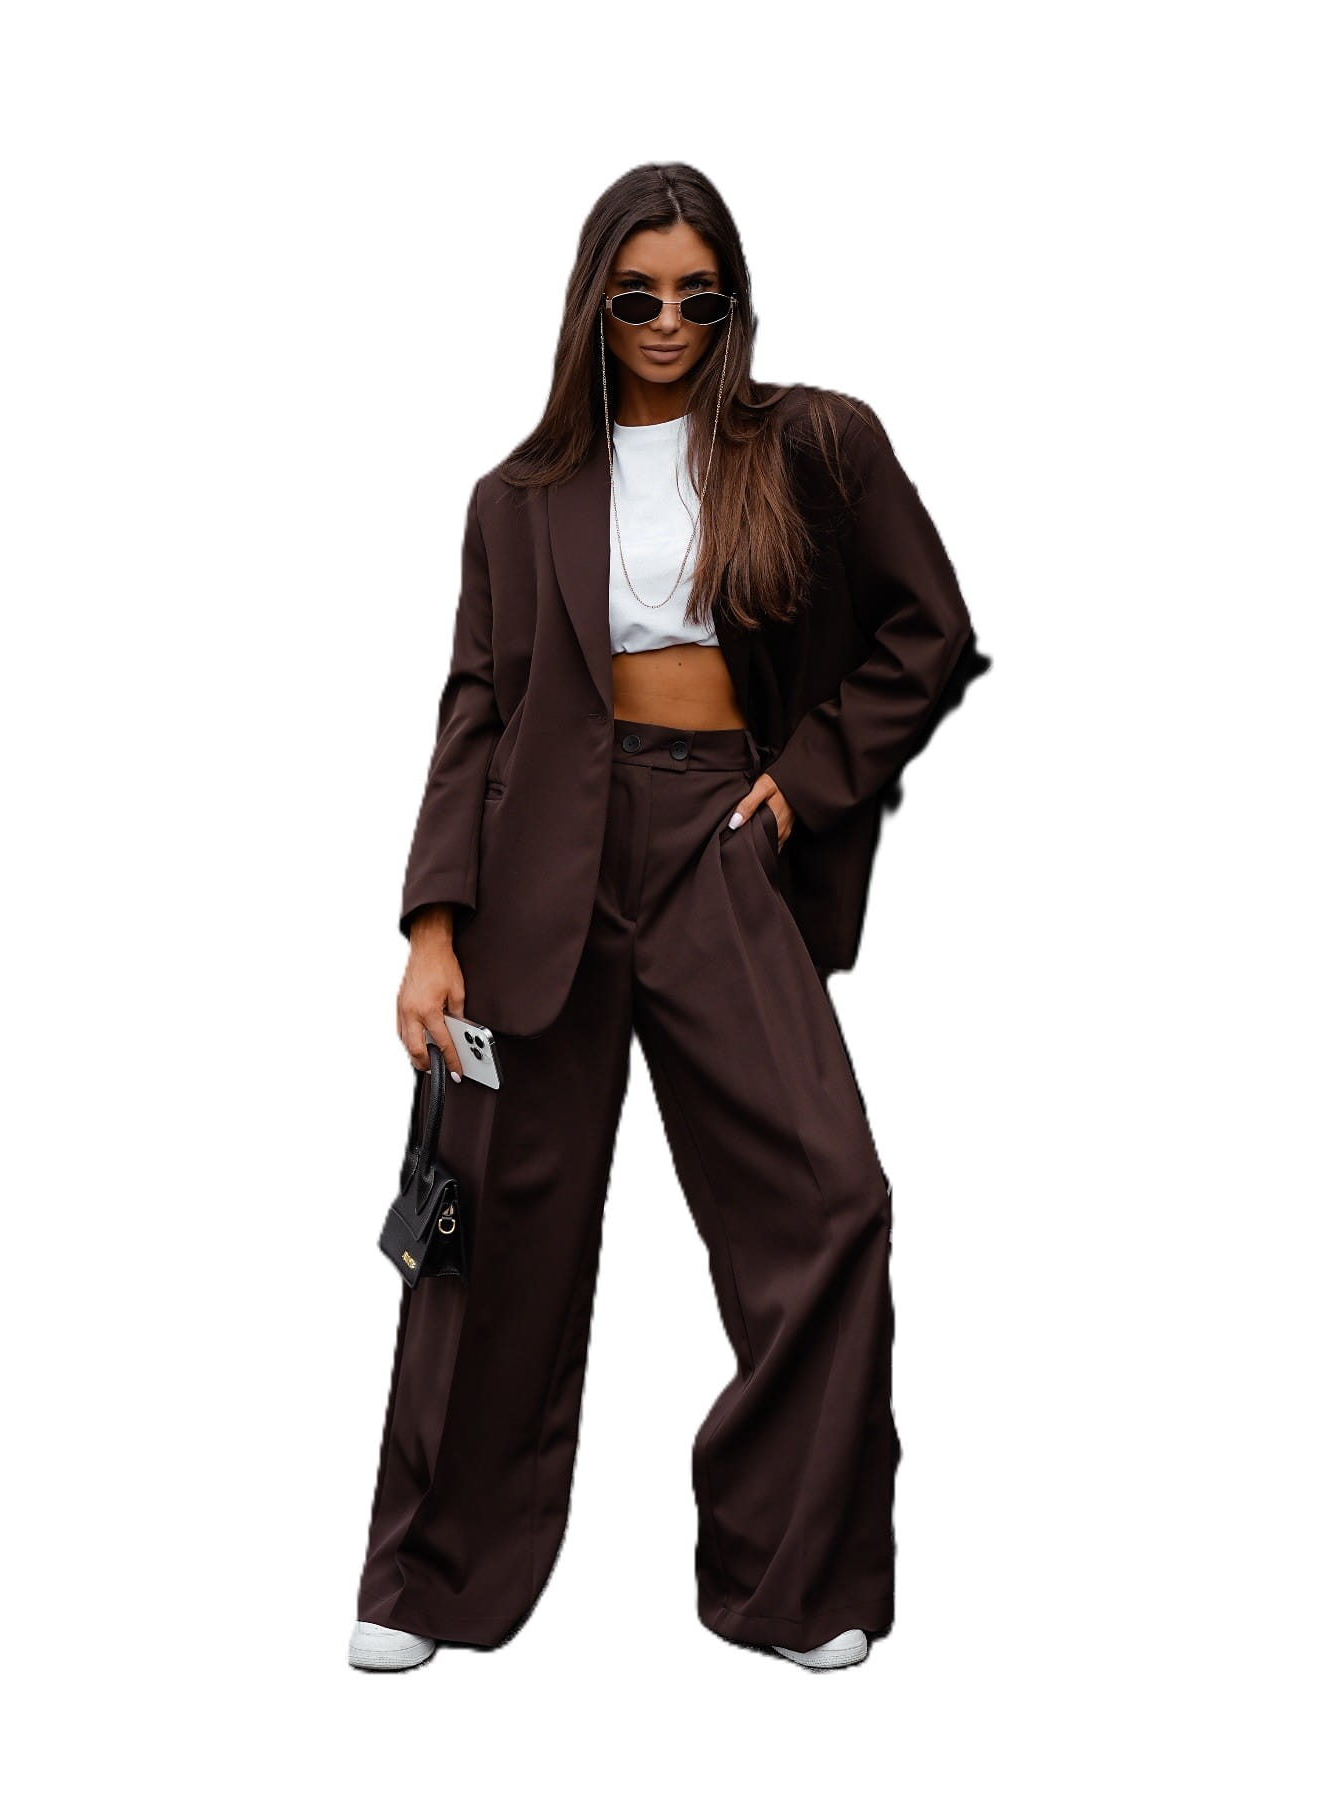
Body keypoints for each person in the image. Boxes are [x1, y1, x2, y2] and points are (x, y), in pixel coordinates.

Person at [349, 162, 990, 1674]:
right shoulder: (516, 500)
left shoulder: (810, 443)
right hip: (540, 866)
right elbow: (476, 709)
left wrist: (804, 786)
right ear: (593, 301)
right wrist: (432, 924)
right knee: (490, 1224)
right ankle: (430, 1582)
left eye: (700, 296)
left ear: (732, 302)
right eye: (637, 294)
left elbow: (929, 628)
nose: (666, 321)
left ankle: (795, 1580)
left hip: (720, 838)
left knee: (830, 1202)